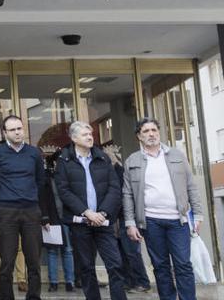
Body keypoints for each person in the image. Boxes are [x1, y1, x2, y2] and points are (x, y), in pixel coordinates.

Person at [123, 117, 202, 300]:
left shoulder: (177, 155)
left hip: (178, 220)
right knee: (160, 266)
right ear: (139, 136)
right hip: (150, 221)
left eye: (154, 130)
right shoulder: (132, 161)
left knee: (183, 264)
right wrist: (130, 223)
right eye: (146, 131)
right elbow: (127, 194)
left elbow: (191, 186)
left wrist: (197, 214)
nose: (151, 134)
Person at [54, 121, 127, 300]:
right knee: (86, 268)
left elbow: (114, 188)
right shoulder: (64, 161)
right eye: (85, 134)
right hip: (81, 223)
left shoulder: (103, 158)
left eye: (91, 134)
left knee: (115, 264)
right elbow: (64, 191)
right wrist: (87, 212)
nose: (90, 137)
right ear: (73, 138)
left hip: (103, 222)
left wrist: (102, 213)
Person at [0, 115, 44, 300]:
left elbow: (40, 181)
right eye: (12, 129)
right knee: (7, 261)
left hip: (31, 211)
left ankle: (34, 297)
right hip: (7, 212)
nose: (17, 132)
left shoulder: (34, 153)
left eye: (19, 128)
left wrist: (30, 196)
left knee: (33, 261)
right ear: (5, 132)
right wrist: (4, 197)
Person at [103, 143, 151, 294]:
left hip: (125, 217)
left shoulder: (120, 171)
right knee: (120, 252)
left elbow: (123, 195)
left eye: (109, 153)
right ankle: (127, 281)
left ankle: (142, 282)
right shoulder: (110, 171)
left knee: (131, 252)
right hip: (115, 218)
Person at [38, 152, 74, 292]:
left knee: (68, 250)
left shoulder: (66, 177)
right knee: (52, 251)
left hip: (66, 217)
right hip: (52, 218)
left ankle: (69, 281)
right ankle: (53, 282)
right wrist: (44, 217)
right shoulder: (45, 178)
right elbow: (42, 199)